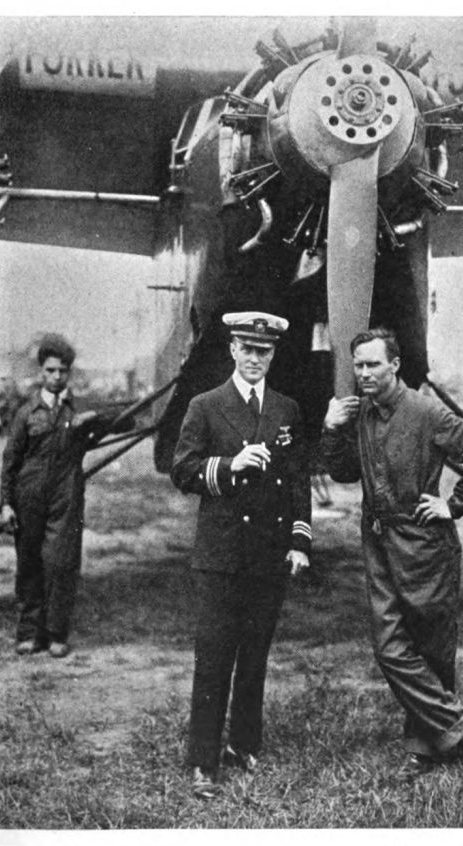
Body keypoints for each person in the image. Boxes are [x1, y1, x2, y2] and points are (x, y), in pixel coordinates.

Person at [321, 328, 463, 776]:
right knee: (390, 648)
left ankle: (425, 747)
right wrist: (332, 428)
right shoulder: (362, 411)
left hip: (424, 544)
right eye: (358, 365)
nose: (364, 373)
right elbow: (343, 471)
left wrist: (454, 505)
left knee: (431, 647)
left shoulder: (426, 411)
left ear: (395, 364)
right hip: (379, 540)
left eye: (373, 364)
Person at [171, 311, 311, 798]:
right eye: (247, 349)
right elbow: (182, 469)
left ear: (273, 354)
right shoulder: (205, 405)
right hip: (222, 555)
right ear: (232, 349)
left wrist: (299, 541)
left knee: (254, 657)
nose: (255, 358)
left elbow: (297, 479)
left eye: (263, 351)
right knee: (214, 659)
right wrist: (231, 464)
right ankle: (203, 761)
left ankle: (244, 744)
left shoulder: (287, 409)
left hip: (267, 555)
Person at [0, 334, 119, 658]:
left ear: (69, 373)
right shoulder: (26, 413)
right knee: (29, 565)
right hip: (28, 498)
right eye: (50, 370)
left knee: (61, 564)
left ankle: (55, 634)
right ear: (41, 372)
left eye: (62, 371)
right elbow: (10, 462)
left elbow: (129, 421)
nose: (56, 377)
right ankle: (29, 633)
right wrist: (7, 504)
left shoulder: (78, 409)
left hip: (65, 498)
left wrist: (93, 419)